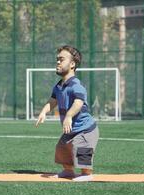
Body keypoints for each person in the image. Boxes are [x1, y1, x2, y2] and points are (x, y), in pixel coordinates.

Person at [35, 45, 99, 182]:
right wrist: (43, 112)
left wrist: (69, 116)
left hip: (86, 130)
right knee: (62, 148)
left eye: (61, 59)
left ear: (72, 64)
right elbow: (52, 101)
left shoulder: (76, 85)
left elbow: (78, 102)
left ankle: (87, 174)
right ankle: (68, 171)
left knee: (81, 148)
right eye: (57, 59)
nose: (58, 62)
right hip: (71, 130)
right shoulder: (58, 86)